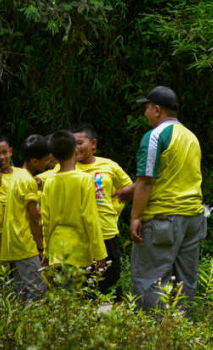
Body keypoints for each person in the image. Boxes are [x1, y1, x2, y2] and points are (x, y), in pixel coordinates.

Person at [130, 86, 206, 310]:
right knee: (186, 282)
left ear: (156, 109)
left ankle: (151, 335)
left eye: (146, 108)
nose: (145, 114)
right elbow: (172, 175)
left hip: (162, 219)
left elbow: (146, 180)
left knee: (151, 280)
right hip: (193, 218)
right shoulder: (191, 137)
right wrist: (131, 189)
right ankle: (182, 334)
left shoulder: (154, 136)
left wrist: (135, 216)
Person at [72, 123, 135, 299]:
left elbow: (129, 189)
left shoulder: (109, 165)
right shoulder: (65, 168)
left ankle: (111, 320)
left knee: (109, 281)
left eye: (79, 142)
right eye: (72, 143)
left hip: (105, 232)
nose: (76, 148)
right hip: (78, 235)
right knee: (82, 284)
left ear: (93, 144)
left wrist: (114, 210)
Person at [41, 130, 106, 274]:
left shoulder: (50, 181)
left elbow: (45, 220)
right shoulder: (84, 179)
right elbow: (90, 218)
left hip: (56, 250)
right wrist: (100, 253)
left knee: (61, 294)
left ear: (53, 155)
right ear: (75, 150)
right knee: (78, 295)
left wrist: (46, 251)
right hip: (79, 251)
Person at [1, 134, 50, 300]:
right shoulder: (28, 181)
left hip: (13, 241)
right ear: (35, 162)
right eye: (45, 160)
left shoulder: (16, 176)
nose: (47, 163)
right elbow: (34, 217)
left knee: (22, 291)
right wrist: (40, 246)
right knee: (39, 290)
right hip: (24, 242)